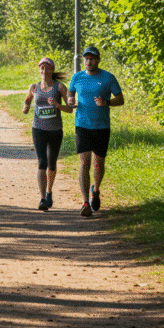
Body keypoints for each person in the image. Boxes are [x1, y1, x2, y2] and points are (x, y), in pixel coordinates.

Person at [67, 46, 124, 217]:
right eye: (86, 58)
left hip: (101, 127)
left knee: (98, 164)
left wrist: (106, 102)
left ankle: (96, 190)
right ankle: (85, 202)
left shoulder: (108, 77)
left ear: (98, 60)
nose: (88, 61)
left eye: (92, 58)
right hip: (82, 125)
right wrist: (70, 101)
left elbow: (120, 99)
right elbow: (70, 95)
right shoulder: (77, 77)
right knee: (84, 163)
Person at [22, 58, 74, 210]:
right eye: (42, 68)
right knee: (42, 162)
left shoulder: (59, 87)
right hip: (38, 128)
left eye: (47, 68)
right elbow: (27, 101)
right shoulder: (34, 87)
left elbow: (70, 109)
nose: (44, 71)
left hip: (55, 130)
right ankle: (43, 198)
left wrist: (57, 105)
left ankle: (49, 191)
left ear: (52, 70)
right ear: (39, 70)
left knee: (52, 164)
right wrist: (25, 107)